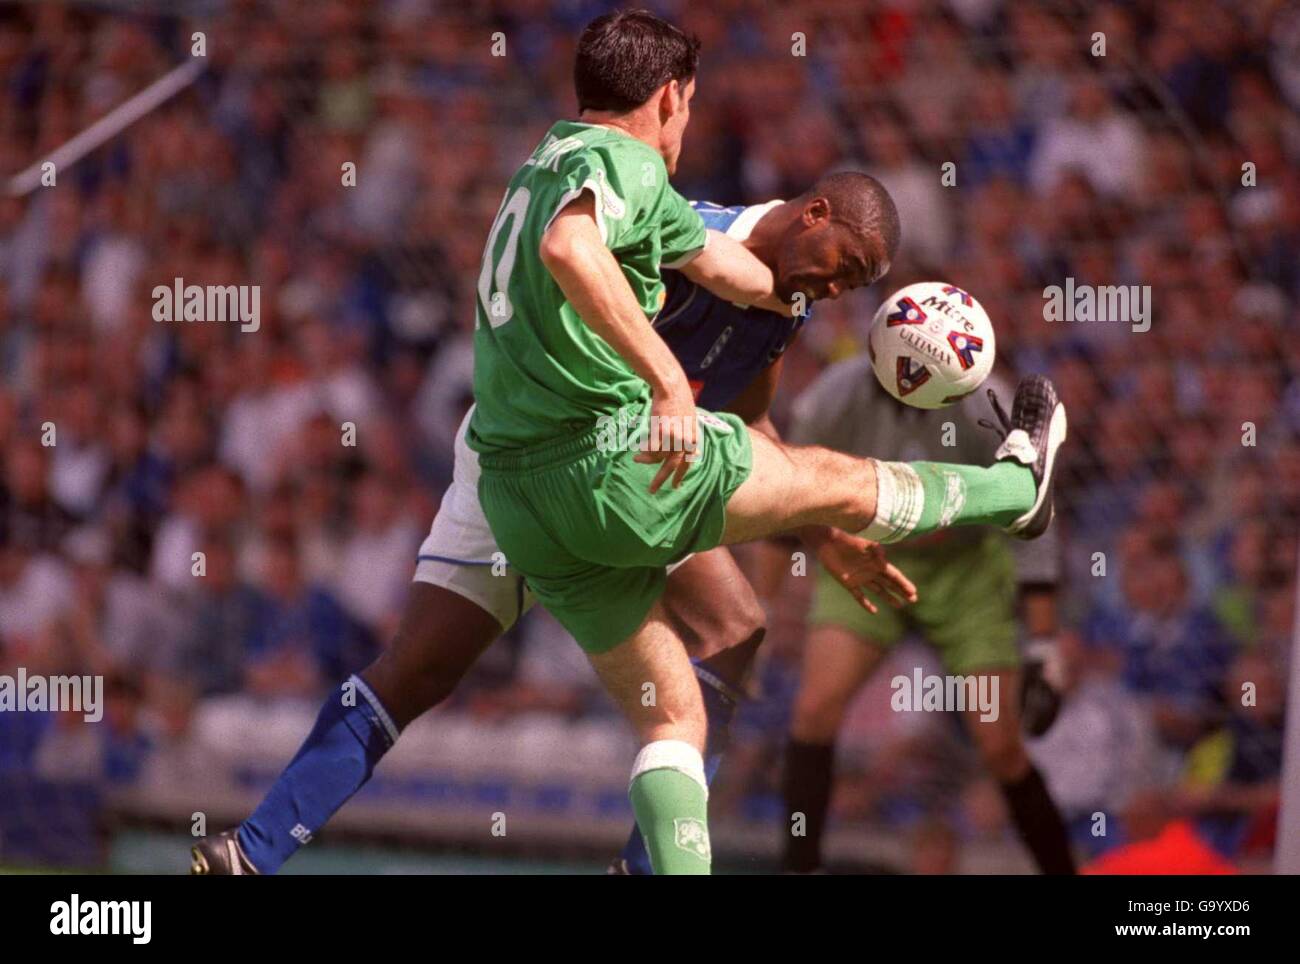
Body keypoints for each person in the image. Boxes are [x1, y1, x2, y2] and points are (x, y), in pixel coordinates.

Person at [194, 10, 1065, 875]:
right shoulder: (665, 209)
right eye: (844, 264)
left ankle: (640, 862)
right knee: (422, 671)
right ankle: (262, 847)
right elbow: (581, 252)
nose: (839, 290)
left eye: (858, 286)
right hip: (588, 458)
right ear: (814, 213)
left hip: (567, 466)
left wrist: (826, 533)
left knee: (733, 631)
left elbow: (753, 428)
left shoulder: (776, 302)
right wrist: (668, 389)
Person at [776, 356, 1076, 874]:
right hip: (866, 555)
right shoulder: (836, 394)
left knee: (1001, 746)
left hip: (965, 570)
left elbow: (1033, 515)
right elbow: (789, 485)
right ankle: (799, 867)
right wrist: (766, 602)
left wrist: (1043, 645)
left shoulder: (990, 402)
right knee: (814, 710)